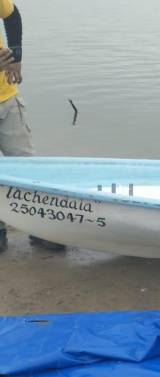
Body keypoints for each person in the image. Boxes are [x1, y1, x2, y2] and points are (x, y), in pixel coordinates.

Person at [0, 1, 64, 253]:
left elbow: (12, 15)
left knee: (27, 167)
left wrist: (16, 55)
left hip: (6, 100)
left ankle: (41, 227)